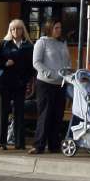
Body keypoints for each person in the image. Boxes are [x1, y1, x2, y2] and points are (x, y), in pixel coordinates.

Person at [0, 19, 35, 150]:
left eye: (18, 28)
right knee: (3, 112)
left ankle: (19, 142)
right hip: (4, 83)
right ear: (10, 31)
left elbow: (32, 66)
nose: (16, 31)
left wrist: (26, 79)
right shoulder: (3, 44)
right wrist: (4, 64)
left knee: (19, 113)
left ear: (23, 30)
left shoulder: (28, 46)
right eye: (13, 29)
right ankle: (1, 142)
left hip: (20, 84)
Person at [30, 19, 69, 155]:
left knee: (58, 115)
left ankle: (54, 145)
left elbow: (66, 61)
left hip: (61, 84)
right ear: (49, 29)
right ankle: (39, 145)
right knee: (45, 115)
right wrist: (49, 73)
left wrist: (68, 73)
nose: (59, 30)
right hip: (46, 84)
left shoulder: (62, 43)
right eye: (56, 27)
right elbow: (36, 62)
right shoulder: (42, 42)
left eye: (60, 27)